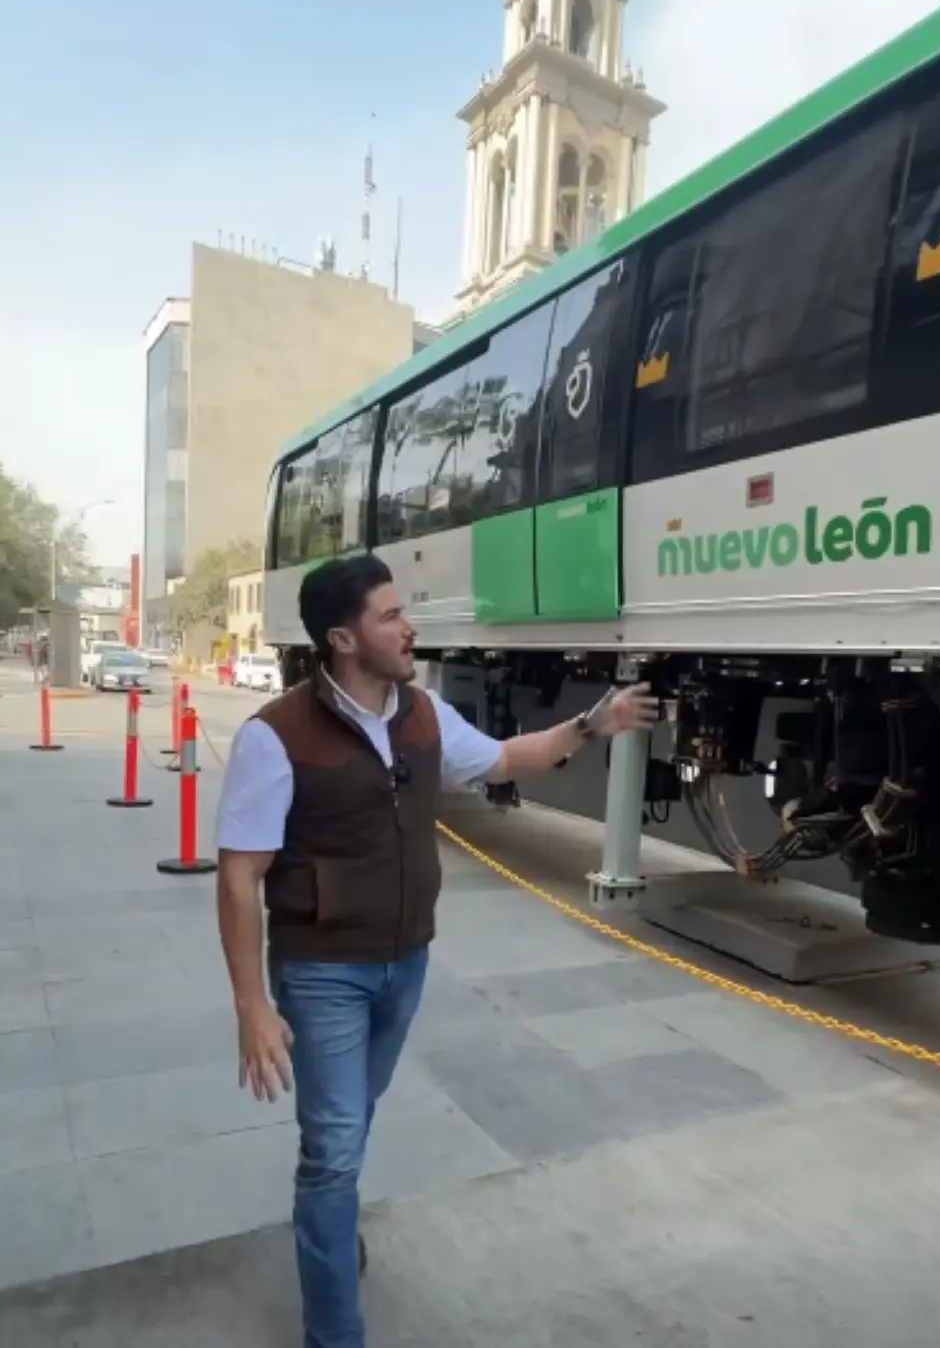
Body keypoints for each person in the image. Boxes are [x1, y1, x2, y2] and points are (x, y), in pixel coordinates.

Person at [215, 552, 657, 1348]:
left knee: (352, 1120)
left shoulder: (421, 715)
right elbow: (239, 874)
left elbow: (507, 756)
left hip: (405, 963)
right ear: (344, 639)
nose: (409, 625)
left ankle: (329, 1215)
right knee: (334, 1148)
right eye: (390, 615)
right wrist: (251, 1004)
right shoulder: (273, 737)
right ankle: (333, 1329)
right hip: (321, 971)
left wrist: (594, 723)